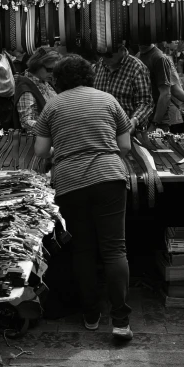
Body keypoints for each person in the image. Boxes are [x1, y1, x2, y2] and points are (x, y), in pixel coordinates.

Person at [34, 54, 134, 341]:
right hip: (109, 178)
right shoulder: (108, 100)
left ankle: (91, 315)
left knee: (84, 250)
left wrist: (65, 149)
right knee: (115, 249)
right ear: (89, 76)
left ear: (60, 79)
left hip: (70, 182)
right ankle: (121, 322)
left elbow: (41, 152)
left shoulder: (53, 105)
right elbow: (124, 145)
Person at [93, 40, 154, 133]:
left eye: (108, 55)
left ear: (121, 49)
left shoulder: (136, 68)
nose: (104, 58)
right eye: (101, 55)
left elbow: (145, 103)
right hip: (101, 131)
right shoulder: (100, 65)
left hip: (126, 132)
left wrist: (133, 121)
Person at [14, 47, 60, 133]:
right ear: (37, 65)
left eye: (55, 70)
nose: (53, 74)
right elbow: (26, 122)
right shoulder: (27, 88)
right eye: (50, 70)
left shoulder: (44, 81)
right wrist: (56, 126)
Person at [138, 39, 174, 131]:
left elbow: (165, 94)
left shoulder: (159, 58)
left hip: (156, 122)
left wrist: (155, 123)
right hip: (142, 118)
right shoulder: (138, 56)